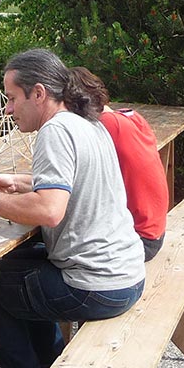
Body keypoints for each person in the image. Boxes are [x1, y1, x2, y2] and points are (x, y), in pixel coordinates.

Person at [0, 49, 145, 368]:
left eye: (11, 98)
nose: (7, 109)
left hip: (98, 286)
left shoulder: (55, 131)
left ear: (38, 93)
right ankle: (50, 365)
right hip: (127, 273)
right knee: (14, 265)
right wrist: (21, 182)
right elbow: (74, 184)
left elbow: (49, 211)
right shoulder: (89, 122)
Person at [69, 66, 168, 261]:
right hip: (155, 231)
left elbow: (72, 183)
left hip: (138, 240)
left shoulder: (105, 127)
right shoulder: (129, 116)